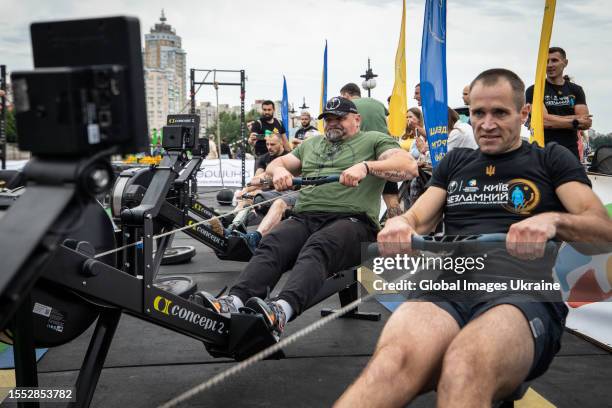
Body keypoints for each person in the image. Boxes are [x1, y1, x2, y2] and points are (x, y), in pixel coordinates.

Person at [336, 68, 612, 407]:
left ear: (523, 113)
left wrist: (553, 221)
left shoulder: (551, 159)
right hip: (451, 286)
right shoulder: (457, 161)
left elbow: (602, 232)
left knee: (465, 364)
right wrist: (401, 224)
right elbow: (418, 216)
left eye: (500, 113)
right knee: (391, 365)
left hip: (521, 291)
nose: (487, 123)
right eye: (479, 113)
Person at [200, 96, 417, 337]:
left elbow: (408, 167)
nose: (333, 123)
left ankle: (281, 310)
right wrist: (280, 170)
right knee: (272, 242)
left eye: (340, 118)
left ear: (357, 120)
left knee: (318, 246)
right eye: (328, 119)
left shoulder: (374, 140)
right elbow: (279, 162)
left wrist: (365, 167)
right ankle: (235, 300)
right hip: (306, 217)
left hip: (353, 221)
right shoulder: (312, 145)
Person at [340, 82, 402, 219]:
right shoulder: (377, 103)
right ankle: (397, 225)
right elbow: (386, 122)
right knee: (391, 196)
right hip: (386, 152)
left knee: (362, 196)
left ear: (346, 94)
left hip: (364, 154)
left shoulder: (349, 108)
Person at [525, 47, 592, 159]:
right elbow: (543, 121)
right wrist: (575, 121)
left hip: (570, 152)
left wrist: (553, 120)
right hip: (542, 151)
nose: (550, 65)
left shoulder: (576, 90)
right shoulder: (534, 90)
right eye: (546, 61)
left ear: (565, 63)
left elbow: (585, 123)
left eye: (554, 60)